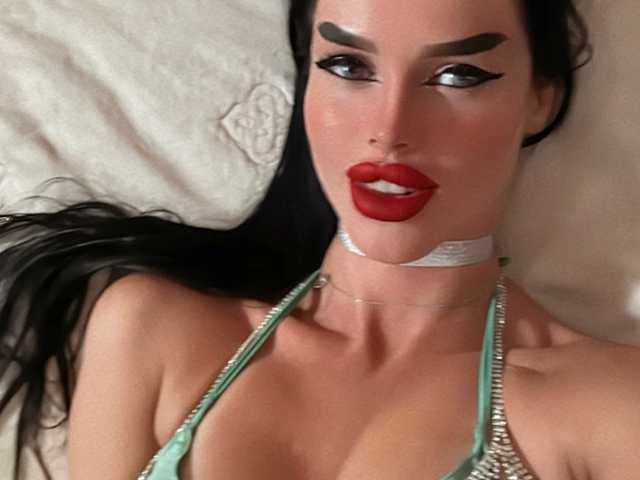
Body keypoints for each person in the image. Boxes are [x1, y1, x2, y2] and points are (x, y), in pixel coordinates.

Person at [0, 0, 638, 478]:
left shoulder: (607, 406)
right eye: (347, 65)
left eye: (458, 75)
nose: (390, 128)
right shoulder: (152, 328)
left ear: (540, 98)